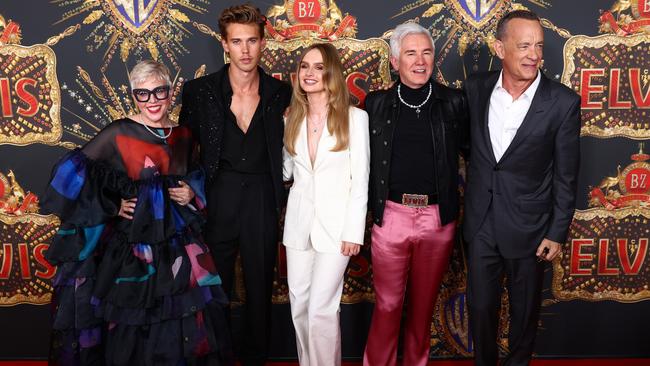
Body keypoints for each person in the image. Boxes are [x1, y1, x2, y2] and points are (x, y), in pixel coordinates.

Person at [42, 60, 232, 365]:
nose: (152, 100)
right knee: (133, 316)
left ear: (171, 92)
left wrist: (190, 192)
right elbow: (70, 174)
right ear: (133, 96)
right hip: (134, 246)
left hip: (179, 245)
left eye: (159, 91)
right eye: (142, 93)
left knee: (182, 313)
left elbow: (194, 173)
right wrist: (113, 205)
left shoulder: (183, 134)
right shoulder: (120, 132)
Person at [463, 10, 580, 366]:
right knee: (480, 310)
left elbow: (566, 175)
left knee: (524, 315)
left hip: (531, 229)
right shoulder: (476, 89)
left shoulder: (562, 102)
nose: (534, 55)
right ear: (500, 47)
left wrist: (556, 232)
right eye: (524, 45)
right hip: (481, 223)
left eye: (539, 47)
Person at [178, 4, 292, 365]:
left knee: (261, 285)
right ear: (224, 44)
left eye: (252, 41)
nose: (245, 50)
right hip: (217, 195)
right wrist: (185, 188)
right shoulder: (199, 91)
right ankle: (216, 355)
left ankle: (257, 355)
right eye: (237, 41)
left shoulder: (282, 93)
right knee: (216, 286)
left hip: (262, 194)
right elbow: (184, 147)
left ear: (263, 43)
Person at [363, 22, 469, 366]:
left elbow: (475, 157)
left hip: (437, 221)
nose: (420, 61)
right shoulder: (375, 104)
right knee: (388, 305)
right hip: (391, 216)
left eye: (426, 52)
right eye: (411, 53)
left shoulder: (452, 103)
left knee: (422, 308)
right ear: (395, 61)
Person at [282, 43, 370, 366]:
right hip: (298, 226)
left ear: (331, 72)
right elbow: (287, 172)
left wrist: (353, 231)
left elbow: (360, 179)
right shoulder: (292, 118)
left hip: (337, 228)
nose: (309, 73)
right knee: (300, 306)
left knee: (321, 307)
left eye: (318, 67)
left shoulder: (354, 118)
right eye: (304, 66)